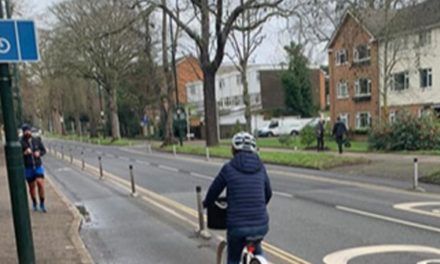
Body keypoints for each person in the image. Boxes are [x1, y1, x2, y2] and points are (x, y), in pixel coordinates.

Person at [203, 132, 272, 264]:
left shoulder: (228, 168)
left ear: (233, 149)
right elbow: (268, 193)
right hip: (261, 225)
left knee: (233, 258)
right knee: (257, 247)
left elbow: (214, 191)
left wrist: (207, 203)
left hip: (237, 227)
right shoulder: (261, 167)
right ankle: (261, 259)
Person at [20, 124, 47, 212]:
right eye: (25, 131)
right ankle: (34, 202)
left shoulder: (36, 140)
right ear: (23, 132)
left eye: (28, 130)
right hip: (28, 167)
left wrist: (39, 153)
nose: (27, 132)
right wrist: (24, 153)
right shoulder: (21, 142)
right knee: (32, 187)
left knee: (40, 183)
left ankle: (42, 203)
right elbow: (18, 155)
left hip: (38, 166)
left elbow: (44, 150)